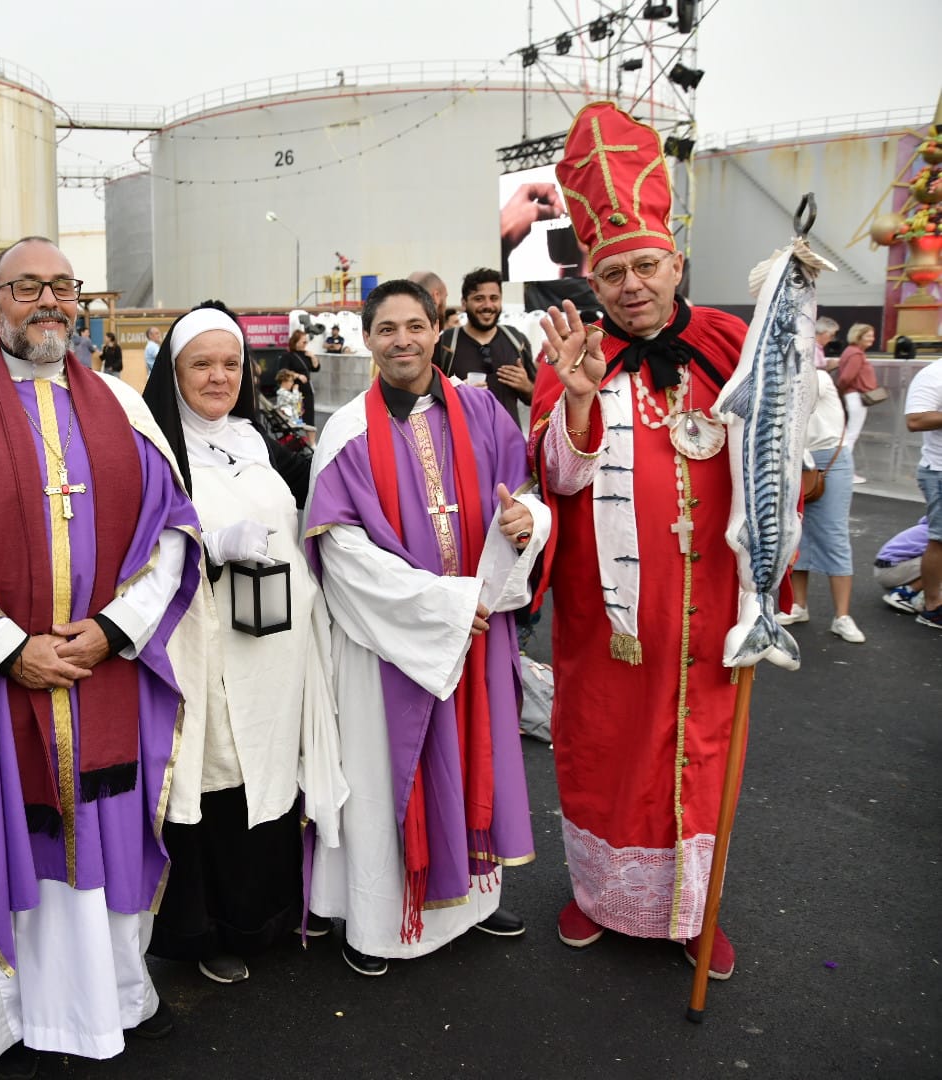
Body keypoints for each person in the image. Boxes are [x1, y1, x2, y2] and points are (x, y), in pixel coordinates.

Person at [0, 236, 201, 1080]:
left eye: (62, 287)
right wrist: (9, 648)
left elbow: (171, 533)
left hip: (106, 672)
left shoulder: (126, 409)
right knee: (7, 838)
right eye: (26, 288)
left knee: (111, 836)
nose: (48, 302)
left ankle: (119, 998)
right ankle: (8, 1020)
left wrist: (114, 632)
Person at [529, 102, 753, 979]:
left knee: (701, 754)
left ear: (677, 264)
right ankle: (599, 897)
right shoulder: (575, 355)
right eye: (613, 272)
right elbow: (558, 476)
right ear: (594, 280)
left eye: (646, 266)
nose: (631, 286)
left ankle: (696, 914)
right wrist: (579, 397)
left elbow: (785, 448)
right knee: (604, 745)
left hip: (713, 605)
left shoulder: (730, 344)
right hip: (610, 611)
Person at [304, 278, 546, 977]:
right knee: (386, 782)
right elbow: (340, 554)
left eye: (415, 325)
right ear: (368, 338)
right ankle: (380, 924)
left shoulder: (482, 412)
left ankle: (473, 899)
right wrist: (439, 607)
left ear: (437, 329)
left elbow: (523, 496)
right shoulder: (346, 434)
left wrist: (530, 524)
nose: (402, 339)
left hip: (476, 636)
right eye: (387, 328)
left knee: (478, 764)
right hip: (390, 648)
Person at [140, 302, 342, 986]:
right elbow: (137, 552)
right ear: (174, 374)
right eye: (202, 364)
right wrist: (211, 547)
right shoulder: (157, 451)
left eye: (231, 363)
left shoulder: (253, 440)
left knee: (272, 774)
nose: (219, 377)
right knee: (220, 780)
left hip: (275, 648)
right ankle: (210, 931)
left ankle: (271, 915)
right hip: (207, 651)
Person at [780, 368, 863, 642]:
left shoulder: (818, 377)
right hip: (796, 461)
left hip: (829, 461)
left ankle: (842, 616)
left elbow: (798, 399)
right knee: (796, 536)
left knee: (834, 536)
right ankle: (797, 605)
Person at [435, 268, 538, 424]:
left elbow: (535, 399)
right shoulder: (446, 344)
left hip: (509, 443)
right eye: (479, 299)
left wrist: (526, 386)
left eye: (494, 298)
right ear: (464, 303)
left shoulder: (517, 340)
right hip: (463, 443)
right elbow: (426, 398)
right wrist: (455, 391)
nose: (488, 305)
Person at [904, 356, 942, 629]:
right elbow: (915, 419)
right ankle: (932, 607)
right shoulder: (934, 374)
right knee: (940, 541)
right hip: (939, 470)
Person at [836, 322, 879, 484]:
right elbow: (846, 378)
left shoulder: (851, 352)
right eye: (868, 335)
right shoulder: (856, 354)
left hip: (851, 396)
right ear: (858, 336)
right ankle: (846, 472)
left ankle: (843, 470)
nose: (872, 339)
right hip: (856, 397)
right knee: (851, 435)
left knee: (848, 434)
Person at [258, 329, 317, 429]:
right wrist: (297, 375)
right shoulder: (288, 356)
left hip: (307, 390)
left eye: (306, 342)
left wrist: (313, 357)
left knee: (309, 418)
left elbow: (316, 368)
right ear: (295, 342)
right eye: (303, 342)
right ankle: (295, 439)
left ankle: (311, 442)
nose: (305, 344)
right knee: (295, 416)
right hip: (294, 389)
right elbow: (283, 371)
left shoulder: (306, 354)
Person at [874, 517, 929, 613]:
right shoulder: (937, 531)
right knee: (937, 561)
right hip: (891, 571)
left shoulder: (931, 525)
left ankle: (918, 594)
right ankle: (904, 593)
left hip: (887, 568)